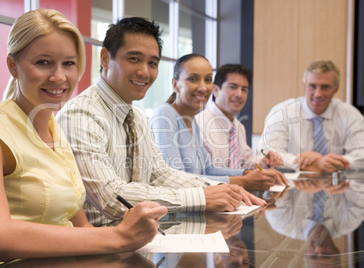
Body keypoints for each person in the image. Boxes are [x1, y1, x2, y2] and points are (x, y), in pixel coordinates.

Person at [0, 9, 167, 267]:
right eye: (43, 62)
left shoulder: (53, 126)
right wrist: (119, 236)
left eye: (68, 63)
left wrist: (126, 244)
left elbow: (78, 223)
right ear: (13, 66)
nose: (59, 77)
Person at [57, 17, 265, 227]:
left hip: (139, 236)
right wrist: (202, 197)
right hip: (98, 246)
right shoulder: (81, 114)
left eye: (153, 63)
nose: (145, 72)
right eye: (134, 59)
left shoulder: (136, 116)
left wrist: (217, 188)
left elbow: (159, 173)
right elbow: (111, 199)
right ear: (104, 58)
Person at [150, 54, 287, 190]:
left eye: (208, 79)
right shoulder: (165, 115)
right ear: (175, 84)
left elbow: (208, 169)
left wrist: (246, 173)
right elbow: (176, 179)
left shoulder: (192, 122)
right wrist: (243, 181)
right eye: (193, 79)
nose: (203, 87)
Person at [259, 59, 364, 172]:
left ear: (336, 88)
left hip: (336, 187)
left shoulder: (351, 115)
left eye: (325, 87)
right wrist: (315, 163)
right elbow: (267, 153)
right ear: (304, 86)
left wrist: (326, 161)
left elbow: (361, 156)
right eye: (312, 86)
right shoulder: (282, 112)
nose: (318, 94)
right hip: (289, 187)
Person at [195, 64, 282, 170]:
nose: (239, 94)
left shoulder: (238, 127)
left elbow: (246, 162)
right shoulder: (199, 126)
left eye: (244, 89)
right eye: (233, 87)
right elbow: (205, 173)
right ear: (216, 90)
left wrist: (264, 161)